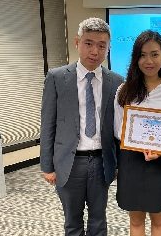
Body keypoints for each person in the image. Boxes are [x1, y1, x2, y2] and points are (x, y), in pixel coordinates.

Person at [40, 17, 123, 236]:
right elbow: (48, 122)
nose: (95, 51)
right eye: (88, 43)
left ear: (108, 48)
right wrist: (47, 165)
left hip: (101, 161)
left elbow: (118, 127)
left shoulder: (116, 81)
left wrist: (119, 164)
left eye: (101, 45)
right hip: (69, 162)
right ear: (77, 42)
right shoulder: (57, 77)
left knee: (98, 220)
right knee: (72, 222)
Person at [114, 30, 161, 236]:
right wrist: (137, 143)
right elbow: (119, 129)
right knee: (136, 221)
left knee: (158, 219)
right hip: (131, 161)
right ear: (136, 59)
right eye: (142, 55)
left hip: (159, 163)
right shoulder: (124, 90)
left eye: (154, 54)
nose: (149, 60)